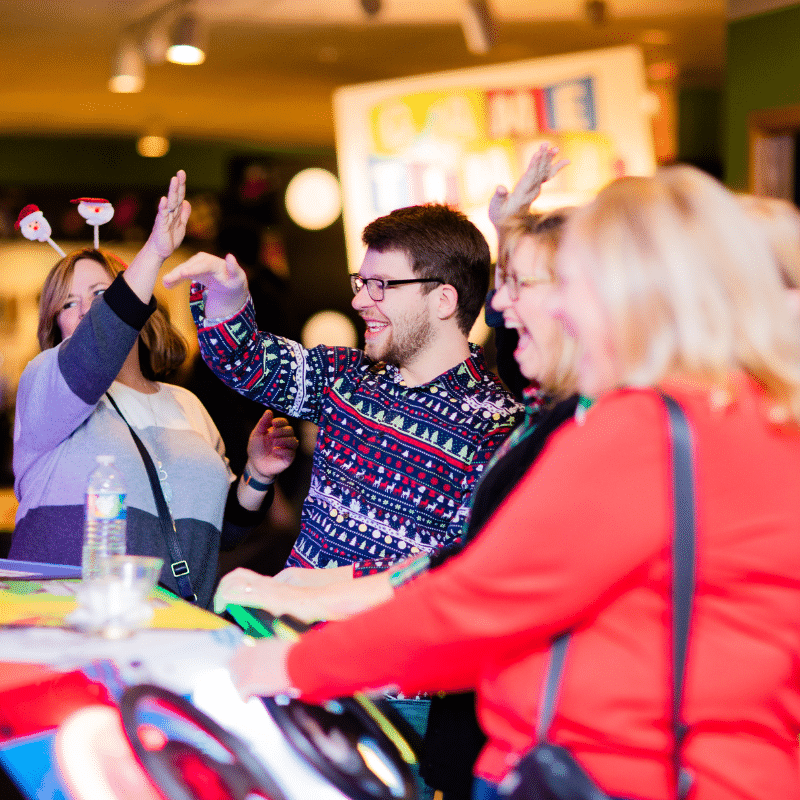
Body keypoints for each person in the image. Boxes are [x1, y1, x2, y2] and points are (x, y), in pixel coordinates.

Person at [224, 165, 800, 800]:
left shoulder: (644, 427)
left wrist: (294, 663)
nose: (519, 306)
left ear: (626, 293)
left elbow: (478, 601)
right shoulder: (756, 414)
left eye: (564, 283)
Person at [163, 203, 523, 580]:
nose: (359, 300)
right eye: (362, 283)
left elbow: (455, 579)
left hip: (377, 635)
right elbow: (243, 360)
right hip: (285, 624)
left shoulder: (495, 426)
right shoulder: (346, 375)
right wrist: (227, 294)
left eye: (380, 285)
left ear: (443, 301)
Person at [11, 171, 298, 609]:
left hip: (174, 627)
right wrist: (155, 251)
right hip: (60, 624)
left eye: (102, 293)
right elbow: (93, 351)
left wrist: (258, 474)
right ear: (56, 324)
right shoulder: (45, 385)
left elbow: (219, 530)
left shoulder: (186, 404)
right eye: (68, 303)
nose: (87, 310)